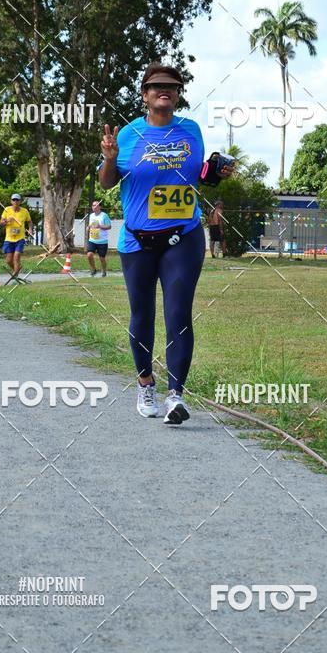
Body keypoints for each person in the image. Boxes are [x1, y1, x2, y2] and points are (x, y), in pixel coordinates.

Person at [99, 63, 234, 425]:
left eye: (172, 87)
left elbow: (196, 176)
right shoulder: (127, 135)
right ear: (144, 95)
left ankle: (176, 396)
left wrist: (215, 171)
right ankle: (146, 384)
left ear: (177, 95)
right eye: (157, 86)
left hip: (183, 238)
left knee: (178, 314)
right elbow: (106, 183)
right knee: (142, 315)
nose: (165, 90)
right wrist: (109, 160)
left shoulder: (190, 130)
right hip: (138, 241)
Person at [0, 193, 33, 281]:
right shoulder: (7, 210)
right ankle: (16, 269)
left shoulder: (24, 211)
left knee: (17, 256)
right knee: (8, 260)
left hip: (20, 238)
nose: (15, 201)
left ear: (20, 201)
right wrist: (7, 220)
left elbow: (29, 221)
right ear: (11, 201)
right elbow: (1, 223)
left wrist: (30, 229)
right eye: (14, 200)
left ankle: (16, 275)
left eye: (17, 200)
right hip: (9, 238)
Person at [86, 200, 111, 277]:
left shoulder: (104, 215)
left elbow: (109, 226)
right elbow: (90, 225)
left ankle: (104, 271)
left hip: (102, 241)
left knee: (102, 258)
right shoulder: (91, 215)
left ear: (100, 207)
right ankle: (93, 269)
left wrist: (100, 226)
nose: (94, 207)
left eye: (96, 205)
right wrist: (88, 228)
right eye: (93, 205)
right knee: (89, 255)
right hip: (92, 239)